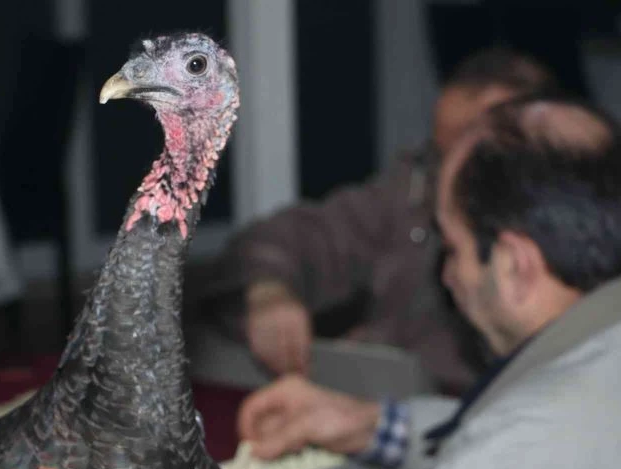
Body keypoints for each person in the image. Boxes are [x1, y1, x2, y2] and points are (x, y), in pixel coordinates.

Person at [235, 94, 621, 469]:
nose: (447, 276)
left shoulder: (514, 458)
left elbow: (517, 451)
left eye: (453, 248)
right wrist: (368, 425)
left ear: (514, 267)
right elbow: (570, 424)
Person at [215, 47, 559, 394]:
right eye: (441, 151)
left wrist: (385, 351)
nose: (447, 171)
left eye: (471, 153)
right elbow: (291, 237)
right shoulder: (414, 188)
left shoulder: (565, 234)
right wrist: (267, 290)